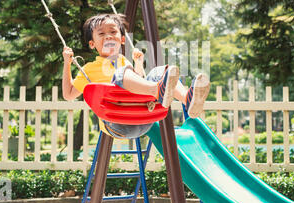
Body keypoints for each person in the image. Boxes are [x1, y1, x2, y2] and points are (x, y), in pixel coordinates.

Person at [62, 13, 210, 139]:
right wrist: (67, 63)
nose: (108, 36)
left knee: (160, 71)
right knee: (122, 74)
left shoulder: (124, 62)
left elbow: (138, 84)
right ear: (92, 44)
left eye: (113, 32)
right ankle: (157, 90)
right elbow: (68, 95)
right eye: (101, 34)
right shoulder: (89, 69)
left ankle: (187, 99)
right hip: (117, 124)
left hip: (145, 118)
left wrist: (138, 63)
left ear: (122, 39)